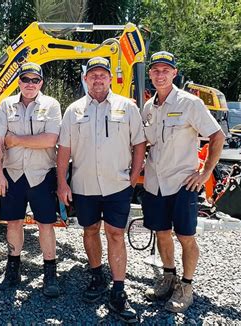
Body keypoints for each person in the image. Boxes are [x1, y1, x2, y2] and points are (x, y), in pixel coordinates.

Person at [57, 57, 146, 323]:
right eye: (93, 75)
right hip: (84, 185)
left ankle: (118, 290)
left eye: (102, 75)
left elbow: (139, 143)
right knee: (90, 230)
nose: (98, 79)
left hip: (117, 185)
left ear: (110, 79)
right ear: (85, 79)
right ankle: (96, 276)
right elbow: (64, 150)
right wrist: (62, 182)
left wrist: (133, 177)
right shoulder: (73, 111)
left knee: (116, 234)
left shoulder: (126, 108)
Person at [141, 51, 225, 312]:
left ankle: (186, 286)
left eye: (166, 70)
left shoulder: (190, 104)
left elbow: (217, 136)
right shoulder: (148, 107)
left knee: (185, 236)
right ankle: (169, 276)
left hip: (182, 183)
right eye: (156, 70)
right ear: (150, 74)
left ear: (174, 73)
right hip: (154, 182)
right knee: (162, 233)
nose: (160, 74)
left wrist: (205, 173)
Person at [0, 62, 62, 297]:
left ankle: (50, 274)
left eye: (35, 80)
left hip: (41, 174)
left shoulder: (51, 105)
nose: (29, 84)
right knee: (13, 222)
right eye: (25, 80)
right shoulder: (5, 105)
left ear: (41, 82)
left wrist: (16, 139)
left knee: (45, 224)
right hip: (12, 175)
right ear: (18, 81)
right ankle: (13, 270)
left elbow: (50, 140)